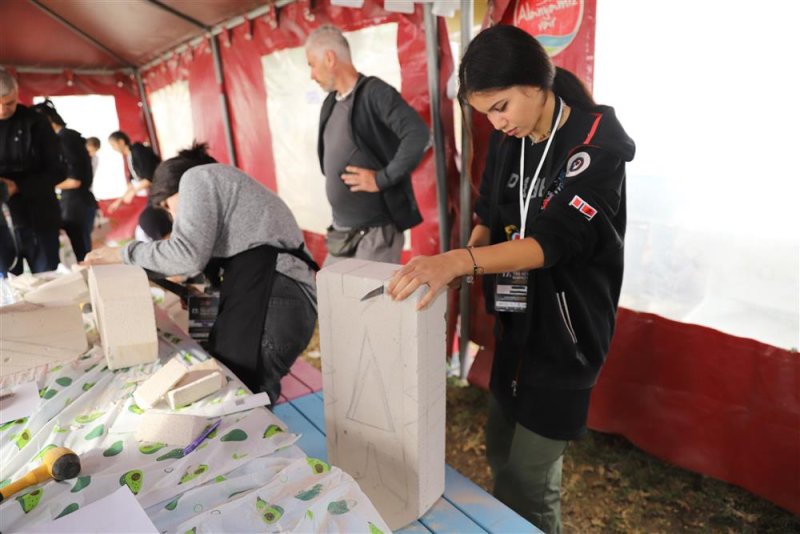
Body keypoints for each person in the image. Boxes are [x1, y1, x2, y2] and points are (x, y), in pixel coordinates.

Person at [387, 25, 635, 534]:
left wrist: (459, 262)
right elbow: (490, 210)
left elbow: (553, 243)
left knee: (527, 484)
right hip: (514, 328)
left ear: (535, 82)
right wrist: (467, 257)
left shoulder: (594, 145)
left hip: (566, 339)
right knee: (501, 453)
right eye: (485, 114)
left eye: (500, 107)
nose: (496, 123)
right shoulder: (510, 141)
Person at [84, 143, 318, 404]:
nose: (173, 218)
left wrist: (122, 254)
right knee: (246, 394)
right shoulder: (229, 189)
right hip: (284, 301)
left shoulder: (195, 178)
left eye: (167, 207)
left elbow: (186, 255)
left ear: (172, 189)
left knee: (240, 395)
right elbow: (199, 268)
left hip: (276, 299)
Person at [305, 25, 429, 265]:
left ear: (329, 58)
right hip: (342, 232)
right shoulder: (330, 103)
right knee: (333, 298)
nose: (311, 74)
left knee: (367, 301)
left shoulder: (375, 93)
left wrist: (382, 178)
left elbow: (418, 134)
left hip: (376, 233)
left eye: (312, 64)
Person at [0, 71, 65, 274]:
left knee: (47, 280)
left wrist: (17, 186)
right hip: (3, 224)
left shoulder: (36, 123)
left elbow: (59, 171)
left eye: (9, 103)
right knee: (7, 288)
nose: (2, 110)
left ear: (17, 94)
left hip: (38, 216)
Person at [32, 100, 97, 262]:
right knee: (81, 250)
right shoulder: (67, 137)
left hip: (77, 202)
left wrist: (42, 184)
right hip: (76, 201)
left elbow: (74, 180)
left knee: (83, 253)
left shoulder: (65, 139)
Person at [106, 130, 160, 213]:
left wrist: (134, 192)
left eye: (113, 145)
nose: (113, 149)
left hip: (161, 185)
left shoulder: (137, 150)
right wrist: (119, 201)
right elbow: (132, 184)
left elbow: (149, 178)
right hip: (156, 190)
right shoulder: (129, 157)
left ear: (121, 142)